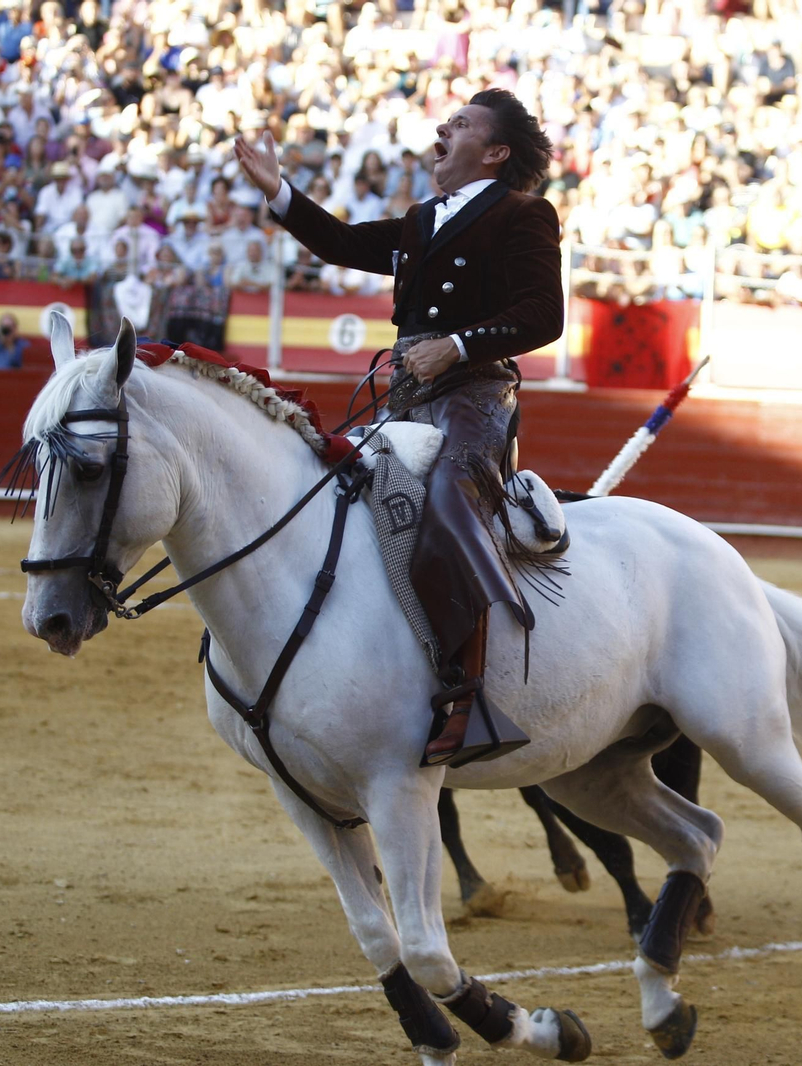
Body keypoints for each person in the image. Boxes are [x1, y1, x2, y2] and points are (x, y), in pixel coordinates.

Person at [233, 87, 563, 768]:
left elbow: (544, 315)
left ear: (495, 152)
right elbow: (343, 242)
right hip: (408, 392)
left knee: (449, 498)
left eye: (462, 123)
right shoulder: (422, 219)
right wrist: (279, 192)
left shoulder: (523, 214)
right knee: (338, 493)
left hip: (475, 393)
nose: (444, 127)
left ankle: (469, 695)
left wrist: (459, 346)